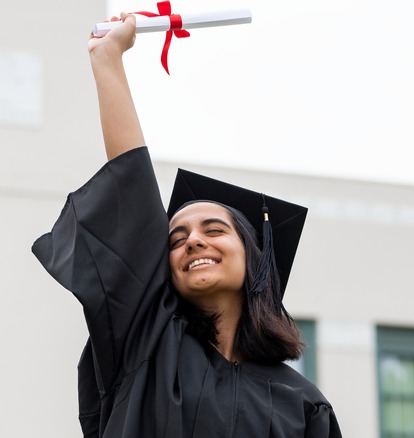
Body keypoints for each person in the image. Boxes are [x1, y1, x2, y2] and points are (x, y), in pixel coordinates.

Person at [32, 13, 342, 438]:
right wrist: (108, 59)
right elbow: (133, 187)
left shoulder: (303, 406)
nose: (194, 240)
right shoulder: (149, 343)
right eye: (176, 239)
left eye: (214, 230)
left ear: (253, 257)